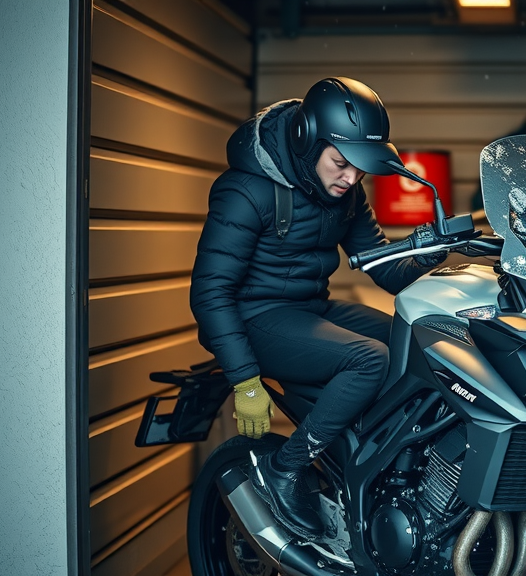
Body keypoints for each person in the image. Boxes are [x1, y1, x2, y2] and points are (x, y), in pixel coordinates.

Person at [190, 77, 446, 545]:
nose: (350, 178)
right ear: (308, 141)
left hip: (310, 309)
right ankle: (284, 469)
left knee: (417, 341)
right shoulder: (245, 191)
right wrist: (245, 380)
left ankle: (384, 465)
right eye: (341, 163)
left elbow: (383, 270)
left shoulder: (344, 193)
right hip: (253, 319)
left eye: (360, 169)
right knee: (369, 358)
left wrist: (427, 252)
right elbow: (209, 293)